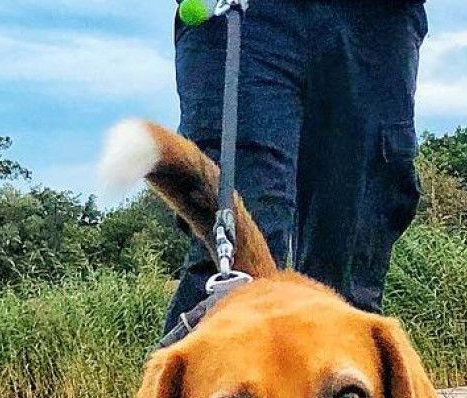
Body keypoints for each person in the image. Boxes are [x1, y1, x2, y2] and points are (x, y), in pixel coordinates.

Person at [165, 0, 427, 330]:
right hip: (245, 14)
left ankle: (338, 377)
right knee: (237, 257)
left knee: (349, 274)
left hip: (375, 23)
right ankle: (208, 376)